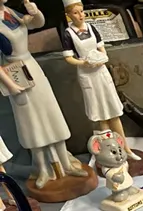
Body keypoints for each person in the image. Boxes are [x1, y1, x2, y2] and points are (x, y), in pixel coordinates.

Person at [0, 0, 86, 189]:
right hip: (15, 73)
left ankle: (65, 163)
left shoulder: (9, 13)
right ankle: (42, 168)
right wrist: (11, 85)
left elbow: (35, 24)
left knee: (50, 113)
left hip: (32, 67)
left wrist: (35, 12)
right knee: (31, 122)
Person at [61, 0, 136, 160]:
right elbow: (68, 58)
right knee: (100, 114)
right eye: (75, 13)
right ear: (69, 15)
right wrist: (84, 63)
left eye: (81, 11)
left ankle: (126, 148)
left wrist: (102, 57)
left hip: (101, 71)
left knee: (113, 110)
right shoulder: (68, 34)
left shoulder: (91, 28)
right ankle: (111, 152)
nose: (80, 15)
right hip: (88, 75)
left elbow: (101, 47)